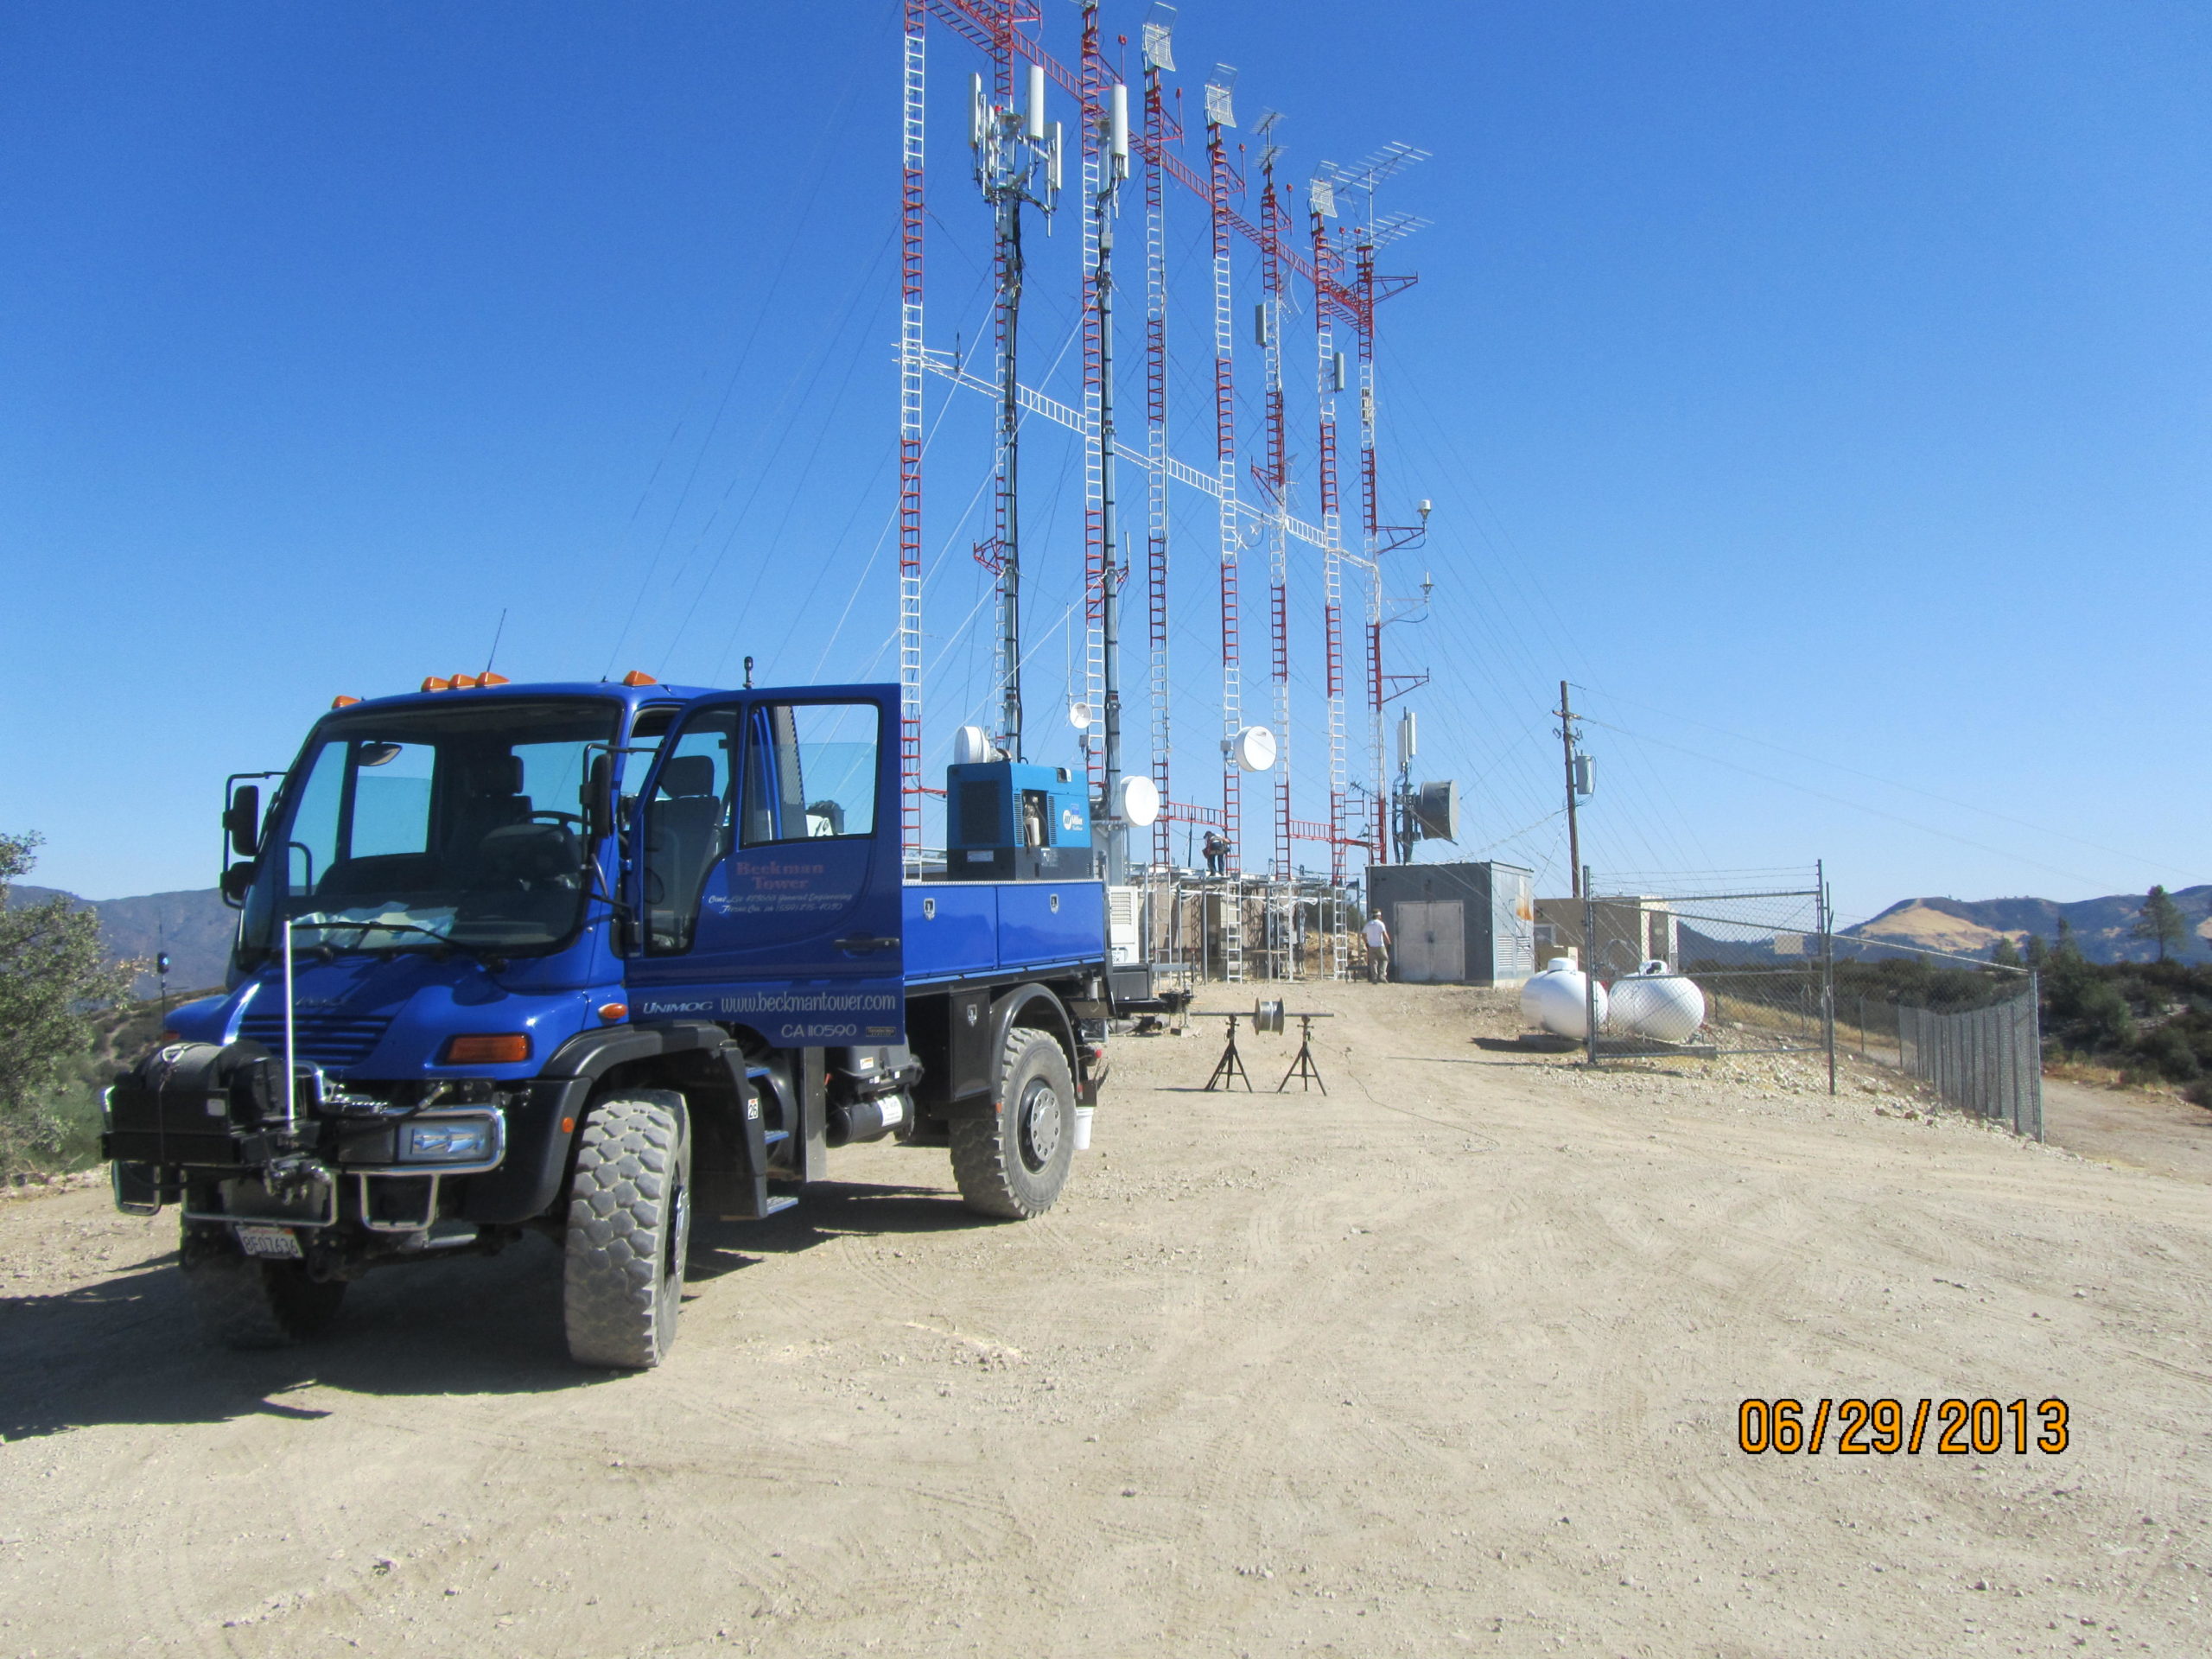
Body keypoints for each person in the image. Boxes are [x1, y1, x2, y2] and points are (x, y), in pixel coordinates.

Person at [1362, 912, 1391, 982]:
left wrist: (1367, 943)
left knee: (1373, 962)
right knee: (1385, 959)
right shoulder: (1380, 924)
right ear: (1378, 916)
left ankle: (1374, 978)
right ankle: (1382, 975)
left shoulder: (1368, 924)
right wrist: (1389, 943)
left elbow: (1363, 934)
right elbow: (1384, 934)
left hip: (1371, 946)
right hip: (1380, 945)